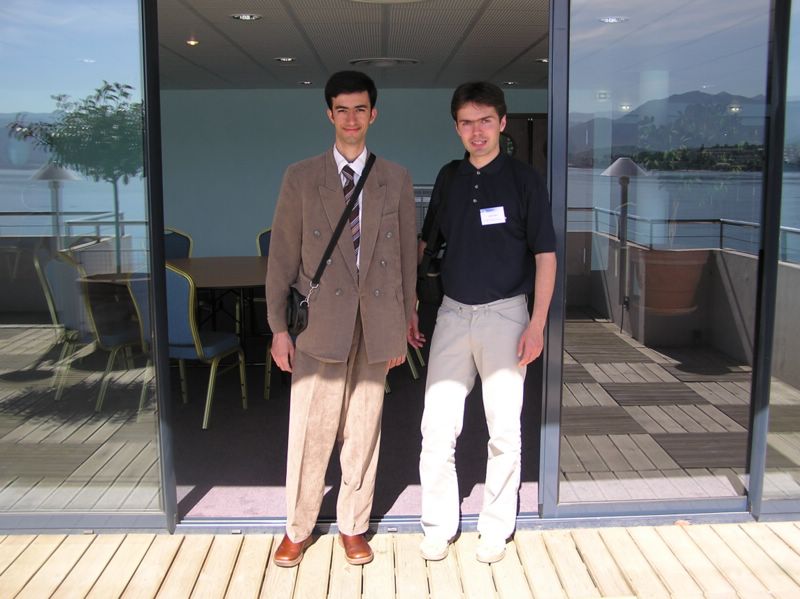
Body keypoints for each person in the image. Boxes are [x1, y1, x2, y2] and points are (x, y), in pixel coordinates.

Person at [266, 71, 417, 567]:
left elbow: (406, 262)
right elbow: (281, 258)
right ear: (329, 114)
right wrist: (278, 329)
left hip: (376, 325)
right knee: (310, 432)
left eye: (360, 109)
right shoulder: (300, 176)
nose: (352, 119)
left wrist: (402, 325)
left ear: (374, 114)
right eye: (343, 110)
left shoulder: (395, 177)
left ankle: (354, 525)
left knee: (364, 431)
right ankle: (298, 527)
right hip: (319, 327)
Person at [410, 81, 557, 564]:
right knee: (437, 427)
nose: (477, 131)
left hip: (506, 316)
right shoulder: (449, 177)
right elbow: (427, 245)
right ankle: (438, 526)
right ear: (457, 127)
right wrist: (411, 303)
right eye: (467, 123)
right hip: (452, 314)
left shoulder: (524, 179)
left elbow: (546, 255)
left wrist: (537, 324)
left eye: (485, 121)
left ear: (502, 123)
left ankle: (495, 528)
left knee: (504, 430)